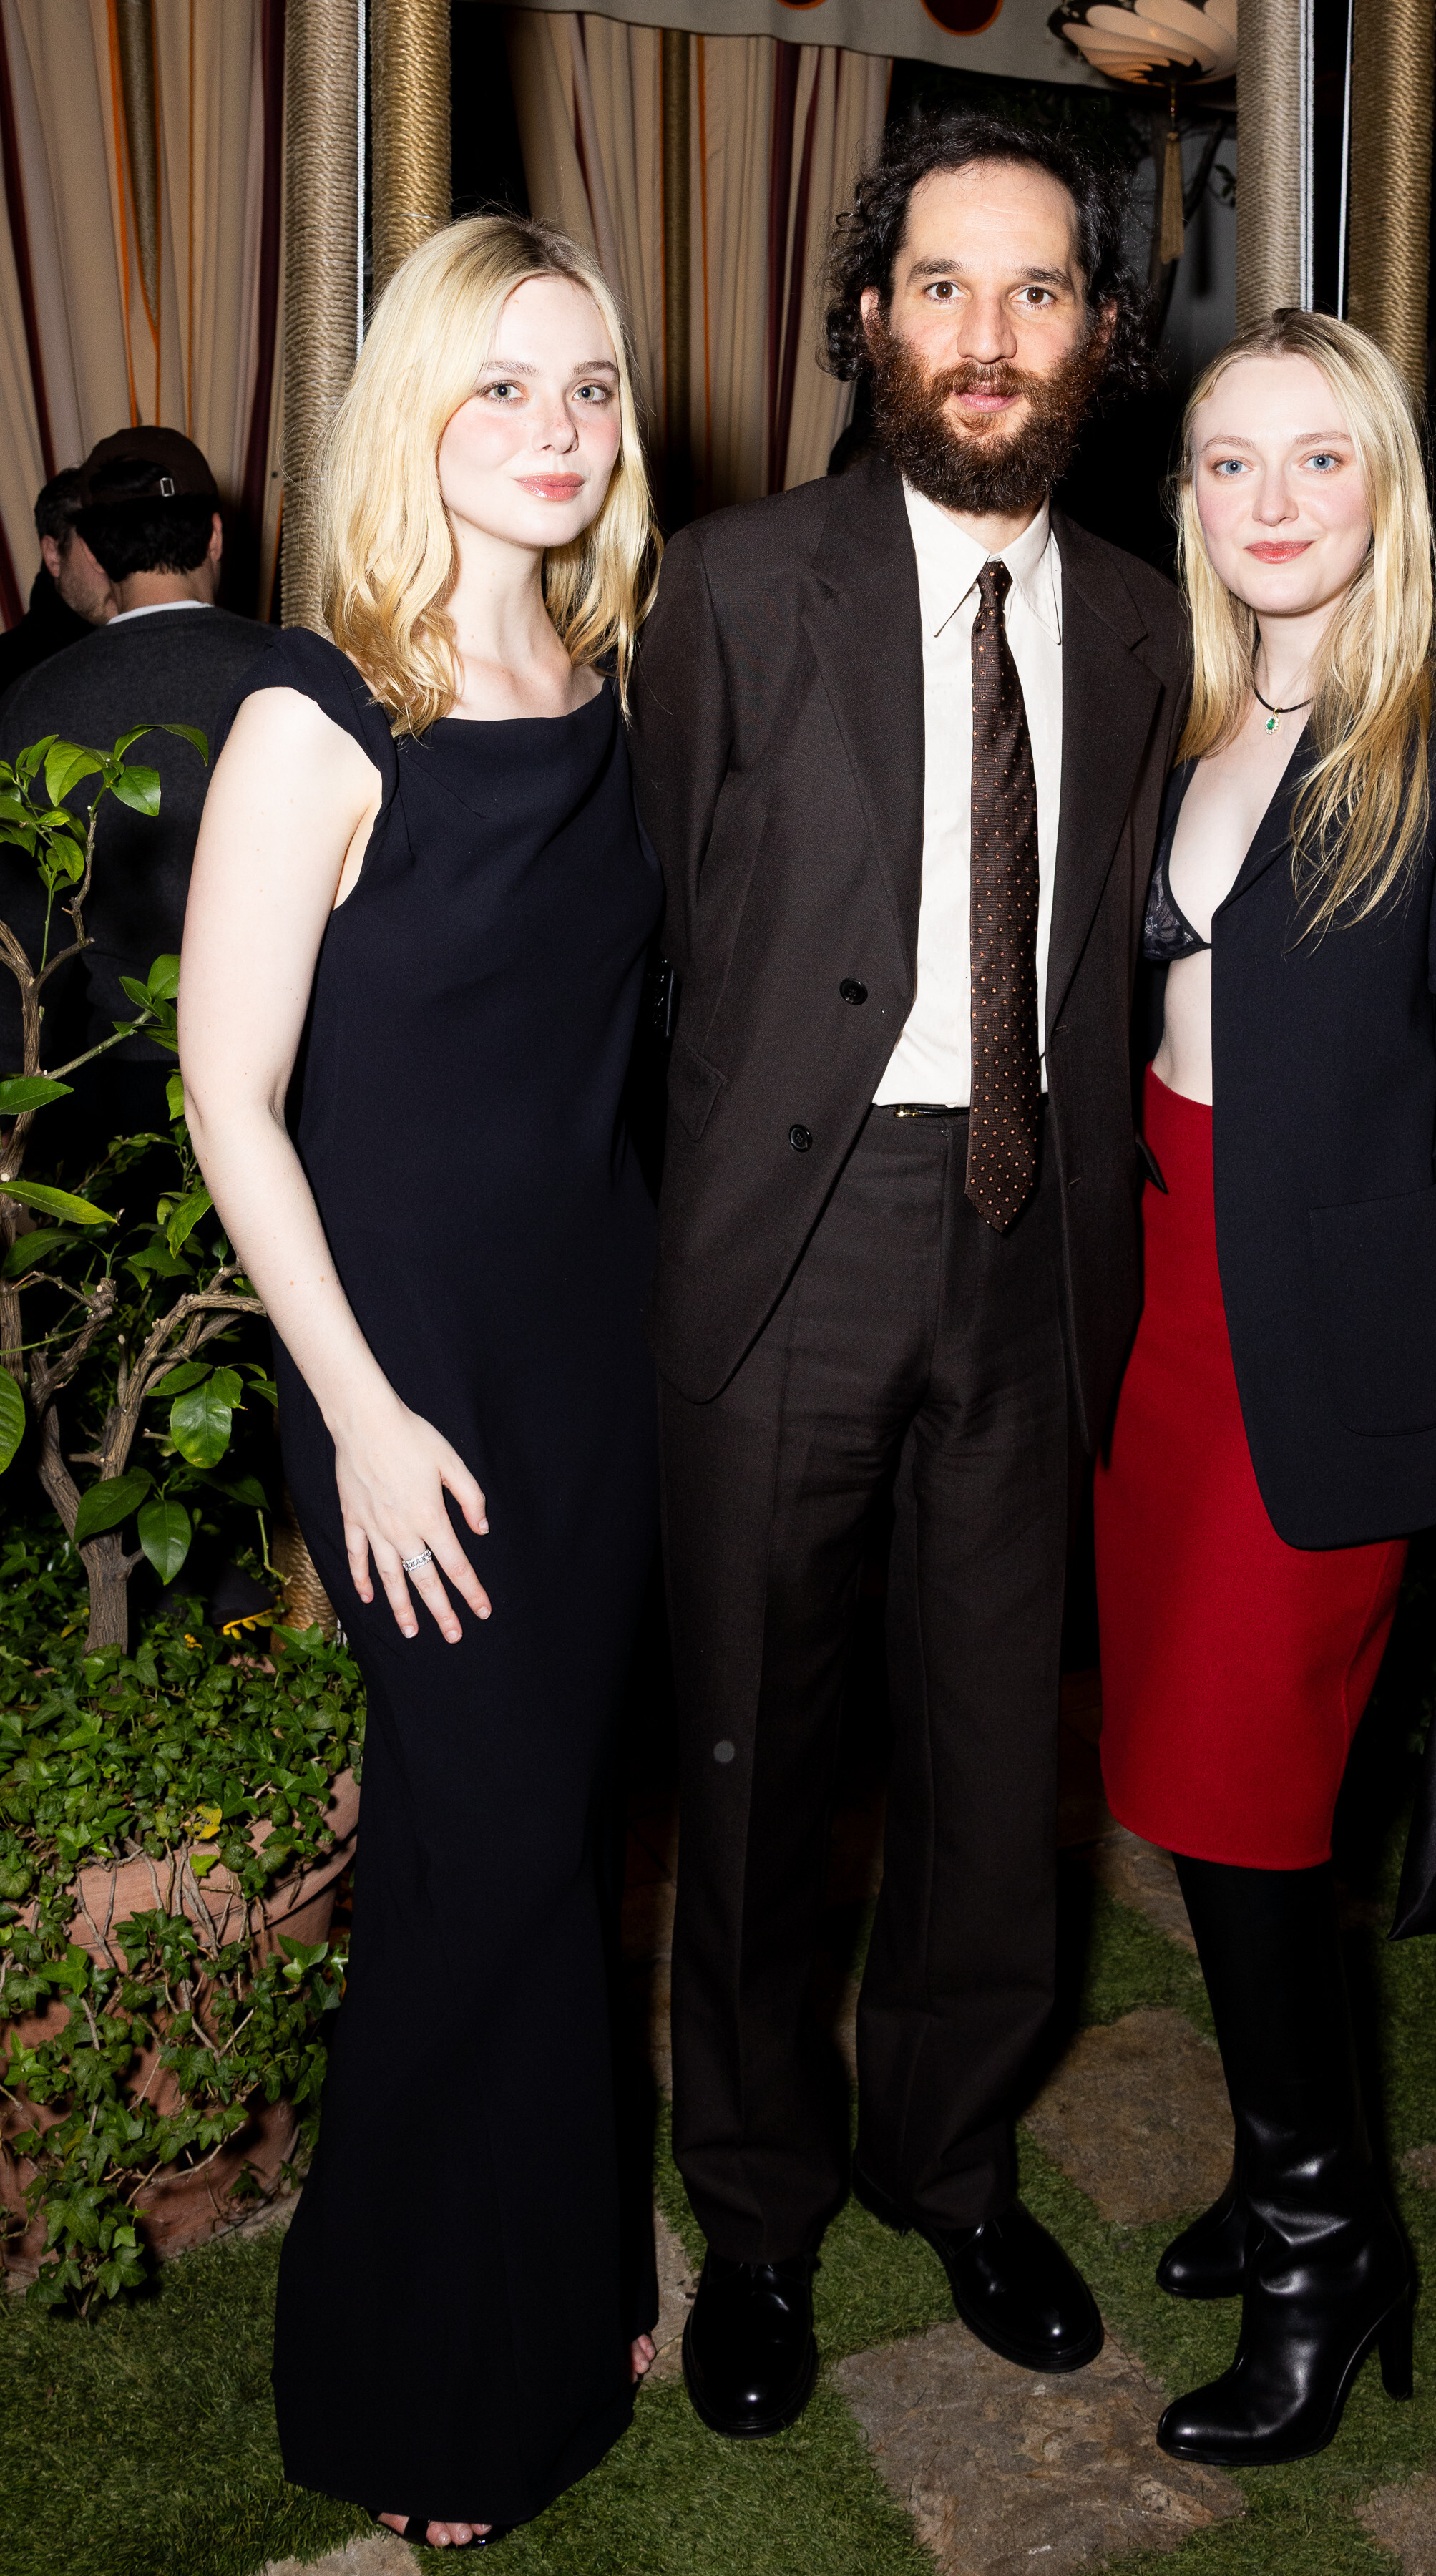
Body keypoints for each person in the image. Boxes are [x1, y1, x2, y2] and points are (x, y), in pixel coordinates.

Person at [630, 110, 1189, 2440]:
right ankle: (757, 2213)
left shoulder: (1148, 622)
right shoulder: (735, 586)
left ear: (1100, 332)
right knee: (757, 1763)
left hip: (1036, 1243)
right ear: (869, 315)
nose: (986, 334)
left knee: (990, 1752)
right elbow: (663, 948)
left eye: (1035, 290)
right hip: (791, 1250)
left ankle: (950, 2165)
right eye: (942, 285)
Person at [179, 215, 663, 2550]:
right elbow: (227, 1093)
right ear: (414, 411)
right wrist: (360, 1416)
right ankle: (419, 2392)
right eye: (502, 385)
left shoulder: (606, 677)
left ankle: (561, 2276)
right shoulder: (320, 708)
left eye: (588, 388)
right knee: (482, 1858)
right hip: (409, 1377)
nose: (555, 431)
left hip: (594, 1355)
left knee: (553, 1844)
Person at [1093, 308, 1436, 2469]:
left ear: (1387, 483)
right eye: (1228, 461)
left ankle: (1324, 2246)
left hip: (1340, 1322)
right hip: (1154, 1294)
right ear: (1187, 493)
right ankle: (1276, 2164)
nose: (1271, 500)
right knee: (1192, 1786)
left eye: (1319, 458)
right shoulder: (1183, 700)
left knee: (1239, 1790)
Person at [0, 430, 268, 1125]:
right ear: (215, 535)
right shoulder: (309, 672)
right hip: (298, 1072)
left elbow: (20, 947)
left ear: (92, 550)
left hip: (122, 1086)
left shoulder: (33, 700)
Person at [0, 464, 114, 698]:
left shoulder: (155, 645)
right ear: (53, 555)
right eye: (98, 549)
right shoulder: (9, 677)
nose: (119, 566)